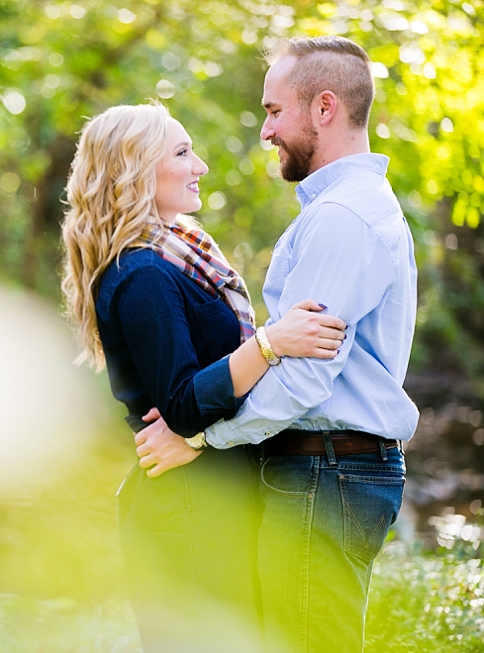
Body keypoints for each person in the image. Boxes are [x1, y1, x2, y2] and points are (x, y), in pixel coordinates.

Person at [134, 36, 418, 653]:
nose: (265, 131)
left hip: (326, 471)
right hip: (325, 469)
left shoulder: (343, 217)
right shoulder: (339, 208)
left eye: (273, 111)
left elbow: (306, 377)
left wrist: (201, 435)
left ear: (323, 108)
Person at [60, 102, 347, 652]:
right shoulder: (142, 273)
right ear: (135, 168)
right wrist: (272, 343)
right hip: (190, 510)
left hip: (212, 495)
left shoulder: (175, 256)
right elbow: (184, 406)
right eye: (182, 152)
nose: (201, 167)